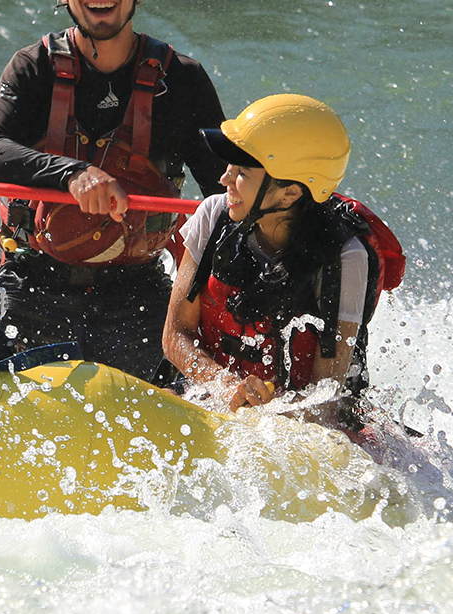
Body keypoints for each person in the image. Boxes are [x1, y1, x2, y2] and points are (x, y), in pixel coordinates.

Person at [0, 0, 226, 379]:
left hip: (139, 292)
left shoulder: (182, 80)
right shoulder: (33, 68)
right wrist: (72, 173)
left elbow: (224, 195)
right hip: (32, 286)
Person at [161, 94, 403, 429]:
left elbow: (326, 397)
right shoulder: (213, 215)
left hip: (298, 424)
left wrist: (261, 416)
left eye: (242, 171)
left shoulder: (345, 257)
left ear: (289, 193)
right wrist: (225, 387)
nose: (224, 179)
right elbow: (176, 335)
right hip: (211, 395)